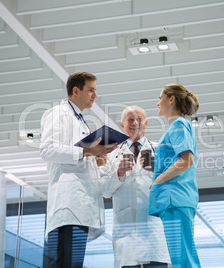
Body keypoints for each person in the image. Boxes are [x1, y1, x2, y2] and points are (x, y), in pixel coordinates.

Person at [40, 71, 116, 268]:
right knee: (64, 263)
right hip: (68, 206)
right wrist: (88, 152)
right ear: (76, 90)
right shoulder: (58, 113)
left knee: (73, 264)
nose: (95, 95)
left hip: (80, 207)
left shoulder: (81, 121)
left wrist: (95, 158)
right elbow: (48, 150)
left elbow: (80, 154)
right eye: (91, 90)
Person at [100, 105, 171, 268]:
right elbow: (104, 191)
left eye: (139, 119)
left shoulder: (160, 150)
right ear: (122, 125)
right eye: (130, 120)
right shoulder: (111, 154)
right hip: (126, 233)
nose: (135, 123)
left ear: (145, 123)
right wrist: (118, 173)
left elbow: (173, 186)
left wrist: (156, 169)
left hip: (154, 229)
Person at [148, 83, 201, 267]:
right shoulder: (176, 127)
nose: (158, 103)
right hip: (174, 199)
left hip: (174, 198)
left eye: (160, 98)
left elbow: (187, 159)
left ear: (171, 100)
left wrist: (158, 180)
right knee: (181, 255)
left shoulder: (178, 124)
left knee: (182, 258)